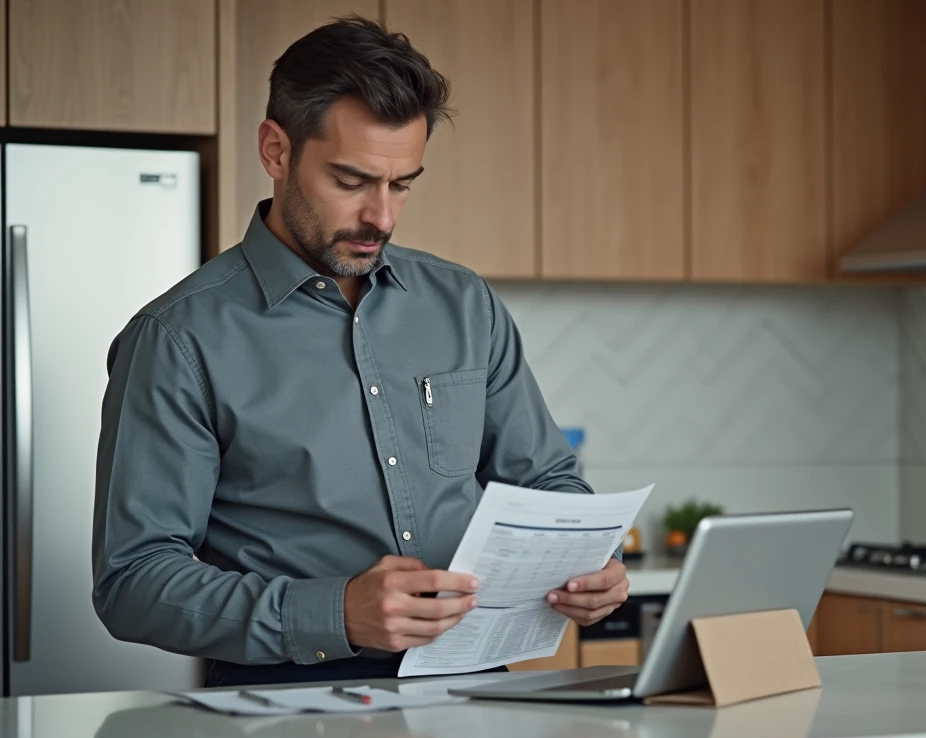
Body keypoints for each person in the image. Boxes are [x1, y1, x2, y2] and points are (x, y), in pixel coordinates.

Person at [90, 15, 628, 688]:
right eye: (352, 181)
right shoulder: (178, 338)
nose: (383, 216)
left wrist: (585, 563)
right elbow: (134, 582)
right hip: (287, 714)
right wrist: (334, 613)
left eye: (402, 184)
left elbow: (546, 483)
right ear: (276, 151)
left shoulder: (464, 304)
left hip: (481, 698)